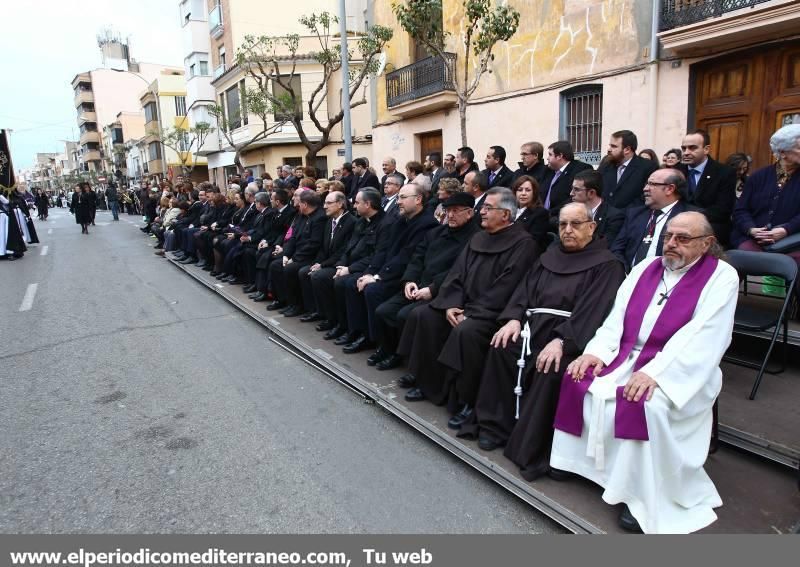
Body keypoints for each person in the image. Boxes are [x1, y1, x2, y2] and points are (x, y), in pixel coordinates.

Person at [550, 212, 737, 534]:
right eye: (668, 236)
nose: (672, 244)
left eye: (683, 238)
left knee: (643, 402)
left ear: (707, 244)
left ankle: (636, 494)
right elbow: (616, 318)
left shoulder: (722, 277)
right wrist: (595, 353)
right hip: (624, 354)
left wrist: (657, 374)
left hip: (682, 366)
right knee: (577, 377)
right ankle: (576, 464)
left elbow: (705, 334)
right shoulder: (644, 268)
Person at [461, 203, 625, 474]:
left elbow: (594, 311)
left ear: (592, 227)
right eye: (562, 225)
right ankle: (494, 426)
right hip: (531, 328)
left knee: (550, 367)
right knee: (502, 346)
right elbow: (523, 291)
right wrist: (513, 317)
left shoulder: (607, 265)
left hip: (573, 337)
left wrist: (562, 341)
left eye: (576, 224)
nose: (568, 230)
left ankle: (528, 444)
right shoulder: (548, 257)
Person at [399, 187, 539, 429]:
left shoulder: (523, 244)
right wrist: (451, 303)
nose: (481, 212)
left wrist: (470, 313)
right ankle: (430, 384)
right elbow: (456, 275)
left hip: (491, 313)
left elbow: (506, 287)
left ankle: (466, 400)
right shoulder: (478, 237)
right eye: (482, 207)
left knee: (467, 332)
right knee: (424, 315)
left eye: (487, 208)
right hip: (461, 304)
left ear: (505, 214)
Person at [370, 192, 479, 371]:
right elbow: (417, 258)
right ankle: (391, 350)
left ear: (469, 213)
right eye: (448, 210)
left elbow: (458, 271)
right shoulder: (436, 232)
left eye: (456, 211)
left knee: (406, 316)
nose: (450, 215)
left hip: (443, 291)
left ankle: (415, 365)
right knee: (384, 311)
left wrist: (432, 288)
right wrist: (409, 280)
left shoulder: (474, 238)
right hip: (418, 285)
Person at [340, 184, 439, 354]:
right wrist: (371, 272)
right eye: (398, 197)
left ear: (418, 199)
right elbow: (385, 250)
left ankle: (386, 345)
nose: (398, 202)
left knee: (373, 291)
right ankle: (364, 333)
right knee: (355, 283)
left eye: (402, 197)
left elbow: (406, 257)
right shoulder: (402, 220)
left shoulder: (426, 224)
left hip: (407, 276)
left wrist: (378, 277)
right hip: (392, 270)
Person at [312, 188, 388, 340]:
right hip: (352, 265)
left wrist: (350, 269)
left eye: (357, 203)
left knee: (346, 283)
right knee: (330, 278)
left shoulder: (384, 224)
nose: (353, 206)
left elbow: (376, 255)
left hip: (368, 268)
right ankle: (341, 323)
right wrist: (342, 265)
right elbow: (349, 248)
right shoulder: (361, 221)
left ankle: (357, 331)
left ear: (368, 204)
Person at [731, 124, 800, 263]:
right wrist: (751, 229)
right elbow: (741, 210)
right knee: (741, 258)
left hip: (792, 239)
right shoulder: (758, 177)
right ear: (782, 153)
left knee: (792, 266)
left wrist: (786, 230)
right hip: (752, 239)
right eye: (798, 148)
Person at [611, 168, 696, 271]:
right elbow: (617, 249)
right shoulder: (635, 214)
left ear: (669, 189)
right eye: (647, 184)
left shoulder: (691, 217)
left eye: (652, 184)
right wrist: (625, 273)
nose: (645, 188)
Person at [297, 190, 356, 322]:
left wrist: (323, 265)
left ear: (340, 204)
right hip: (328, 260)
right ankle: (317, 310)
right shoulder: (330, 221)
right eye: (324, 203)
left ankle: (331, 318)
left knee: (319, 276)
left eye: (328, 203)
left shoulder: (351, 222)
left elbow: (343, 251)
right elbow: (324, 247)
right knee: (305, 271)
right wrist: (317, 263)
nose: (324, 206)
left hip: (340, 263)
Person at [677, 129, 737, 244]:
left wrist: (692, 218)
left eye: (692, 148)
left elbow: (723, 209)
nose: (686, 152)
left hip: (710, 227)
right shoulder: (676, 171)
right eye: (683, 148)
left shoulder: (724, 173)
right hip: (678, 226)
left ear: (706, 149)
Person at [599, 130, 659, 210]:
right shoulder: (606, 165)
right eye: (610, 145)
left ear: (627, 149)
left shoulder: (647, 167)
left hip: (632, 218)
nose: (609, 149)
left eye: (614, 146)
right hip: (606, 217)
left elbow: (647, 196)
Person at [541, 140, 593, 223]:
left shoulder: (580, 169)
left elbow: (574, 198)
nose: (547, 158)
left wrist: (550, 213)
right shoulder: (547, 171)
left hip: (563, 217)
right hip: (543, 217)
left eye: (550, 155)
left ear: (560, 156)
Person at [570, 169, 624, 245]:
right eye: (572, 188)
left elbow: (605, 245)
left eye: (576, 190)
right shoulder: (569, 211)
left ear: (591, 193)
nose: (571, 193)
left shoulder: (614, 217)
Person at [512, 175, 549, 248]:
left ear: (534, 193)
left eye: (528, 190)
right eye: (520, 190)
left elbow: (533, 241)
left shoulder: (540, 213)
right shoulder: (509, 211)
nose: (523, 193)